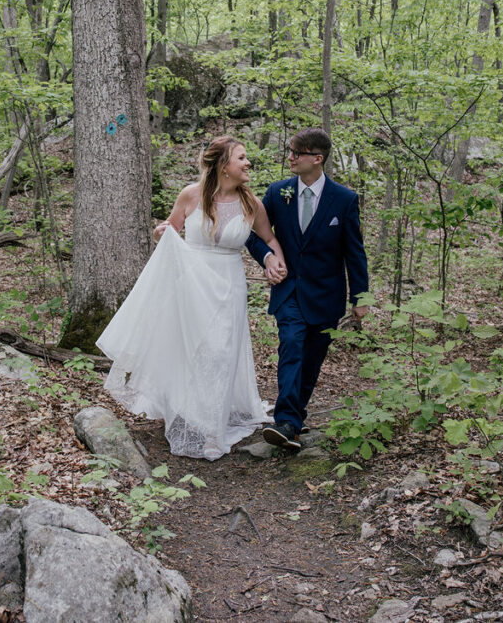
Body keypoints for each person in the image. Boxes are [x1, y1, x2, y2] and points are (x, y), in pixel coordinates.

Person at [96, 136, 286, 461]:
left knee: (221, 352)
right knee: (190, 348)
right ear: (224, 165)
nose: (248, 163)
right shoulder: (191, 195)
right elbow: (171, 228)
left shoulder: (252, 203)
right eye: (241, 158)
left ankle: (212, 428)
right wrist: (162, 232)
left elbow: (268, 238)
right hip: (190, 282)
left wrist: (274, 260)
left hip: (228, 285)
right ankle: (183, 407)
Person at [246, 128, 369, 450]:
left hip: (327, 296)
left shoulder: (344, 200)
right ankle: (284, 420)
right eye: (290, 151)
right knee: (291, 346)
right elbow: (253, 235)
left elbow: (354, 252)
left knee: (312, 360)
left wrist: (361, 298)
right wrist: (268, 258)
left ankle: (293, 423)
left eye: (297, 153)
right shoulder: (277, 192)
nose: (290, 157)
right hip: (288, 291)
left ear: (317, 158)